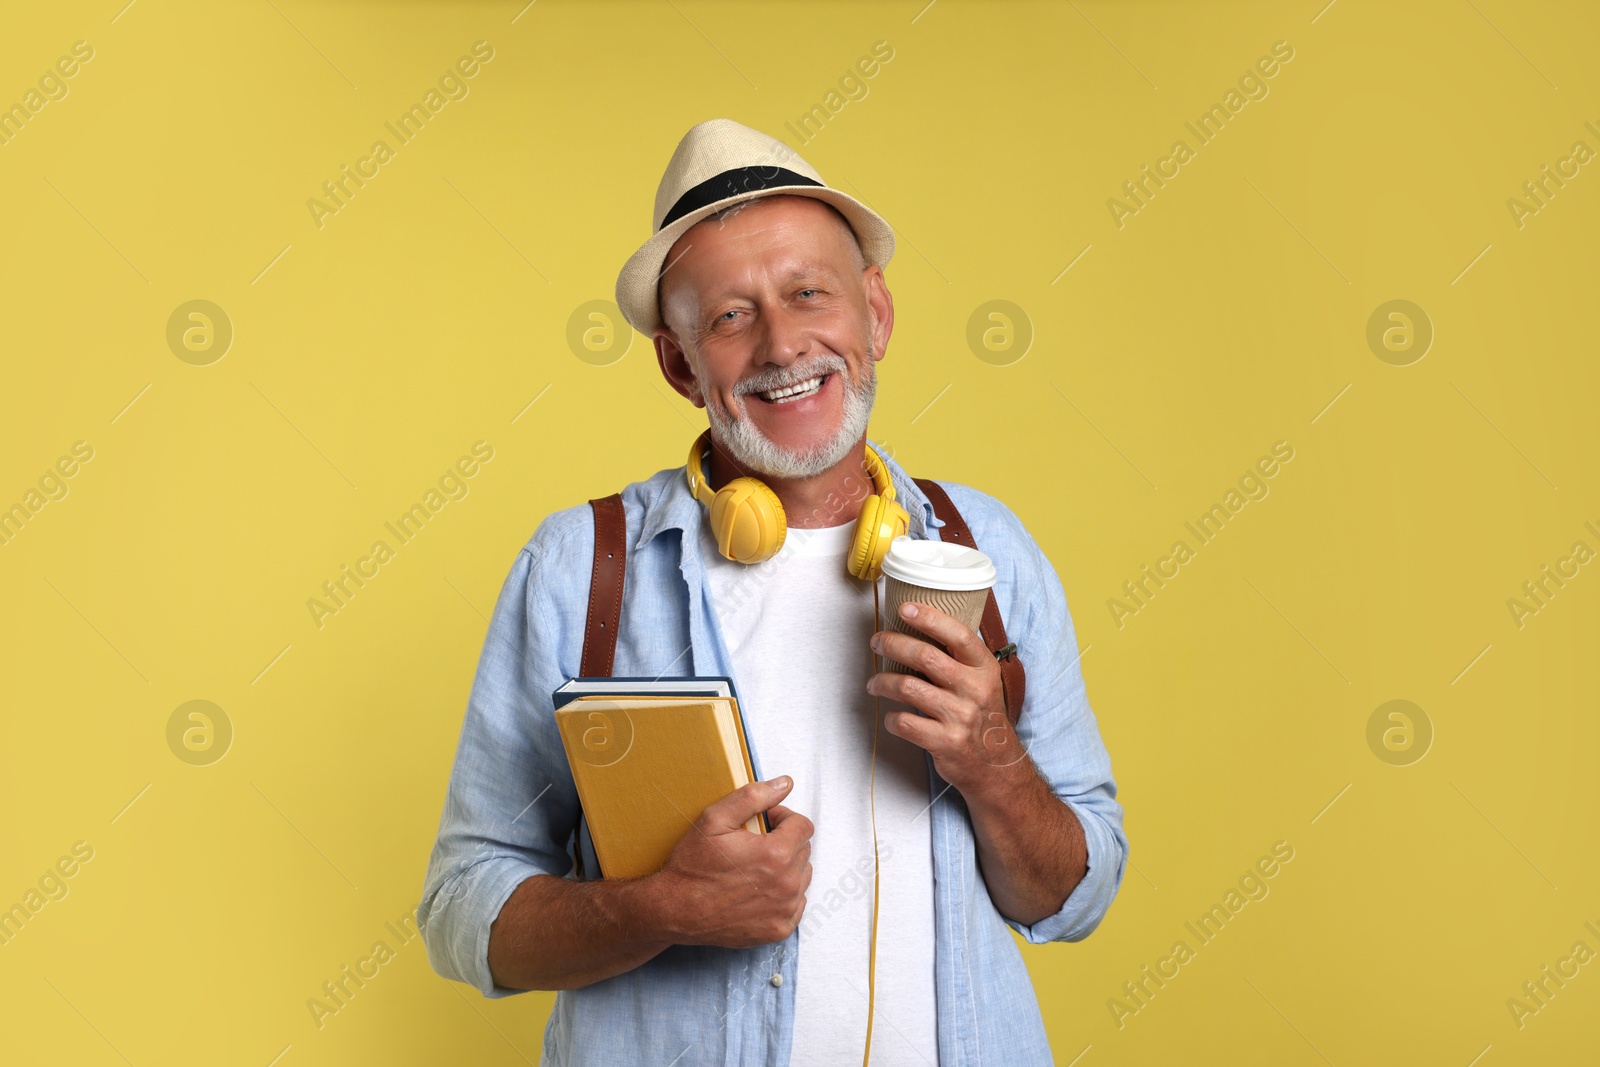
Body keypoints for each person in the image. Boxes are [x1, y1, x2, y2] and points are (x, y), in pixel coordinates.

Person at [418, 117, 1127, 1066]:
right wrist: (659, 907)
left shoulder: (987, 549)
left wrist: (992, 760)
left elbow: (1075, 897)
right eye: (730, 316)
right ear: (679, 364)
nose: (783, 344)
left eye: (808, 293)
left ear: (874, 313)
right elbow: (464, 904)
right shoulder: (581, 569)